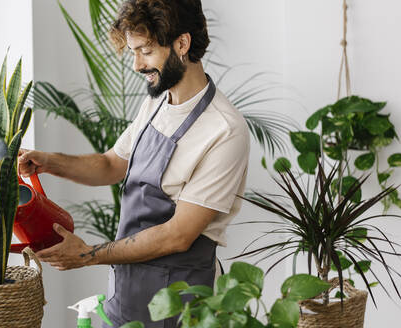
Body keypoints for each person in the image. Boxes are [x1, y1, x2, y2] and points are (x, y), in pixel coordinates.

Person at [18, 0, 250, 327]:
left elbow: (178, 235)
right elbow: (112, 164)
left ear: (182, 44)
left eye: (145, 50)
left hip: (181, 304)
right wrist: (47, 161)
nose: (137, 65)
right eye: (133, 52)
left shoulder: (224, 130)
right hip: (127, 292)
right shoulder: (157, 101)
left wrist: (87, 255)